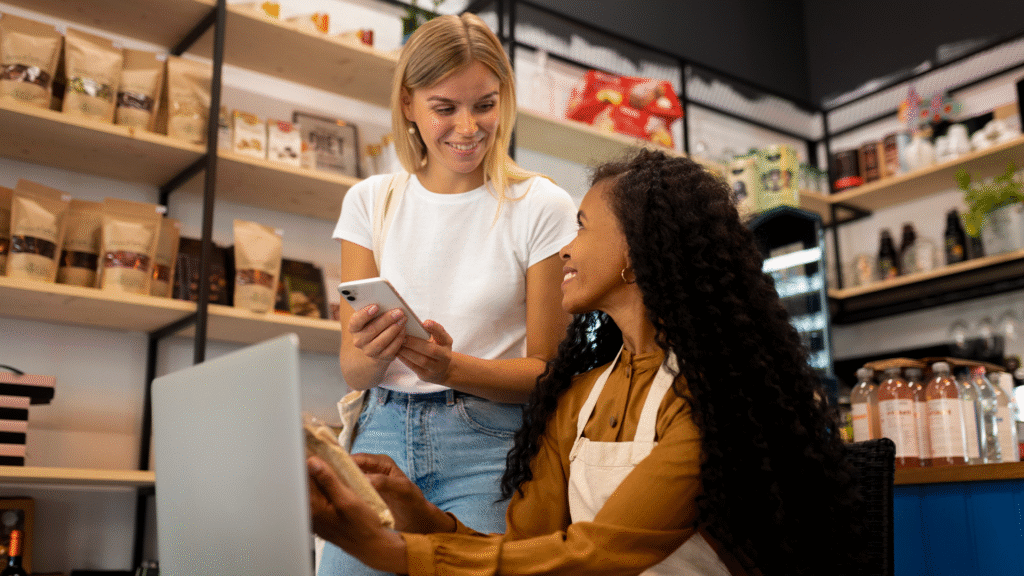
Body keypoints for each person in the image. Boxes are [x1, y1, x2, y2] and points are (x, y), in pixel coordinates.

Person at [309, 148, 865, 575]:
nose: (565, 248)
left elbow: (596, 554)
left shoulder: (709, 399)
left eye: (581, 225)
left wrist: (392, 552)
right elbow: (527, 551)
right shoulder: (580, 396)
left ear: (635, 253)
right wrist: (416, 511)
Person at [321, 12, 578, 576]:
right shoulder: (370, 202)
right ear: (408, 103)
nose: (468, 127)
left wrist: (450, 368)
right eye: (445, 108)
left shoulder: (541, 206)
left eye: (485, 105)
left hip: (490, 445)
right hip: (379, 435)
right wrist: (374, 351)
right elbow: (354, 371)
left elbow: (548, 373)